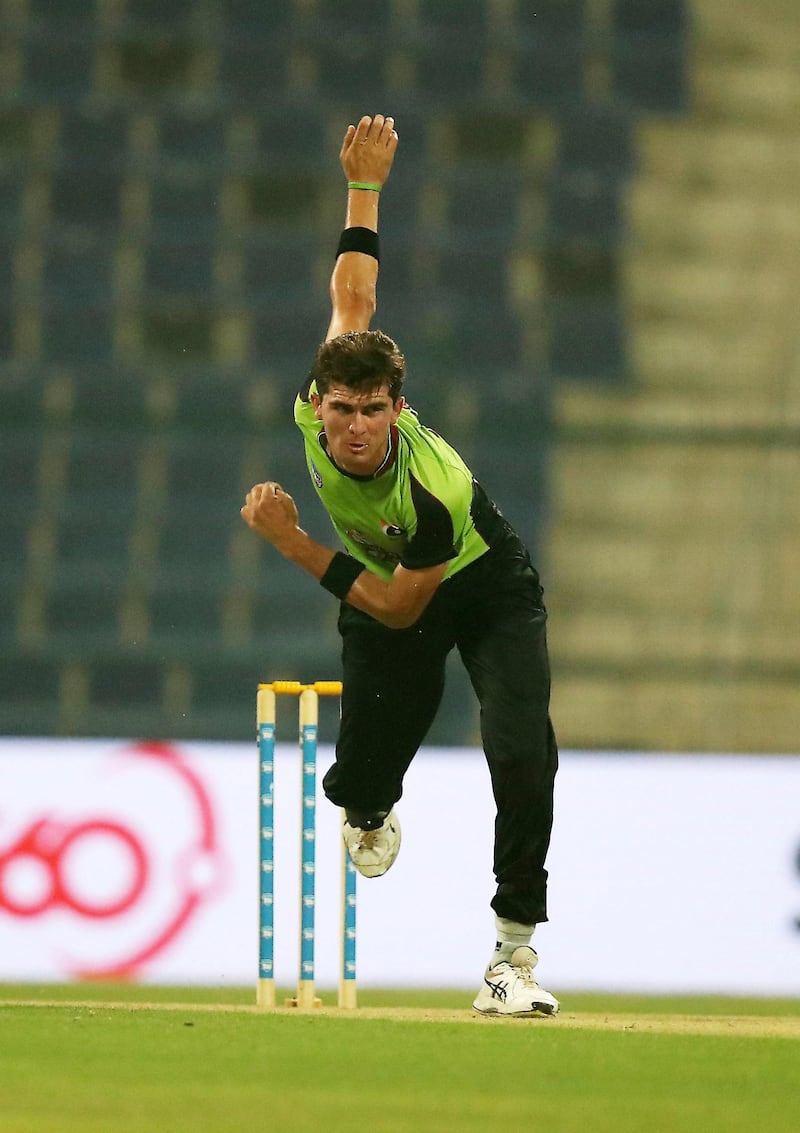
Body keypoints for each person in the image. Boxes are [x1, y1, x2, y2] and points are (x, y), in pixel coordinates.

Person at [241, 114, 559, 1017]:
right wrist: (365, 188)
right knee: (371, 762)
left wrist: (294, 541)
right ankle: (370, 806)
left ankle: (513, 956)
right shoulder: (321, 392)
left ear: (396, 406)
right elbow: (354, 295)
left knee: (521, 743)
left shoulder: (434, 490)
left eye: (371, 410)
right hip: (388, 588)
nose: (352, 426)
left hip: (480, 581)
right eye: (340, 407)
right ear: (323, 399)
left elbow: (393, 605)